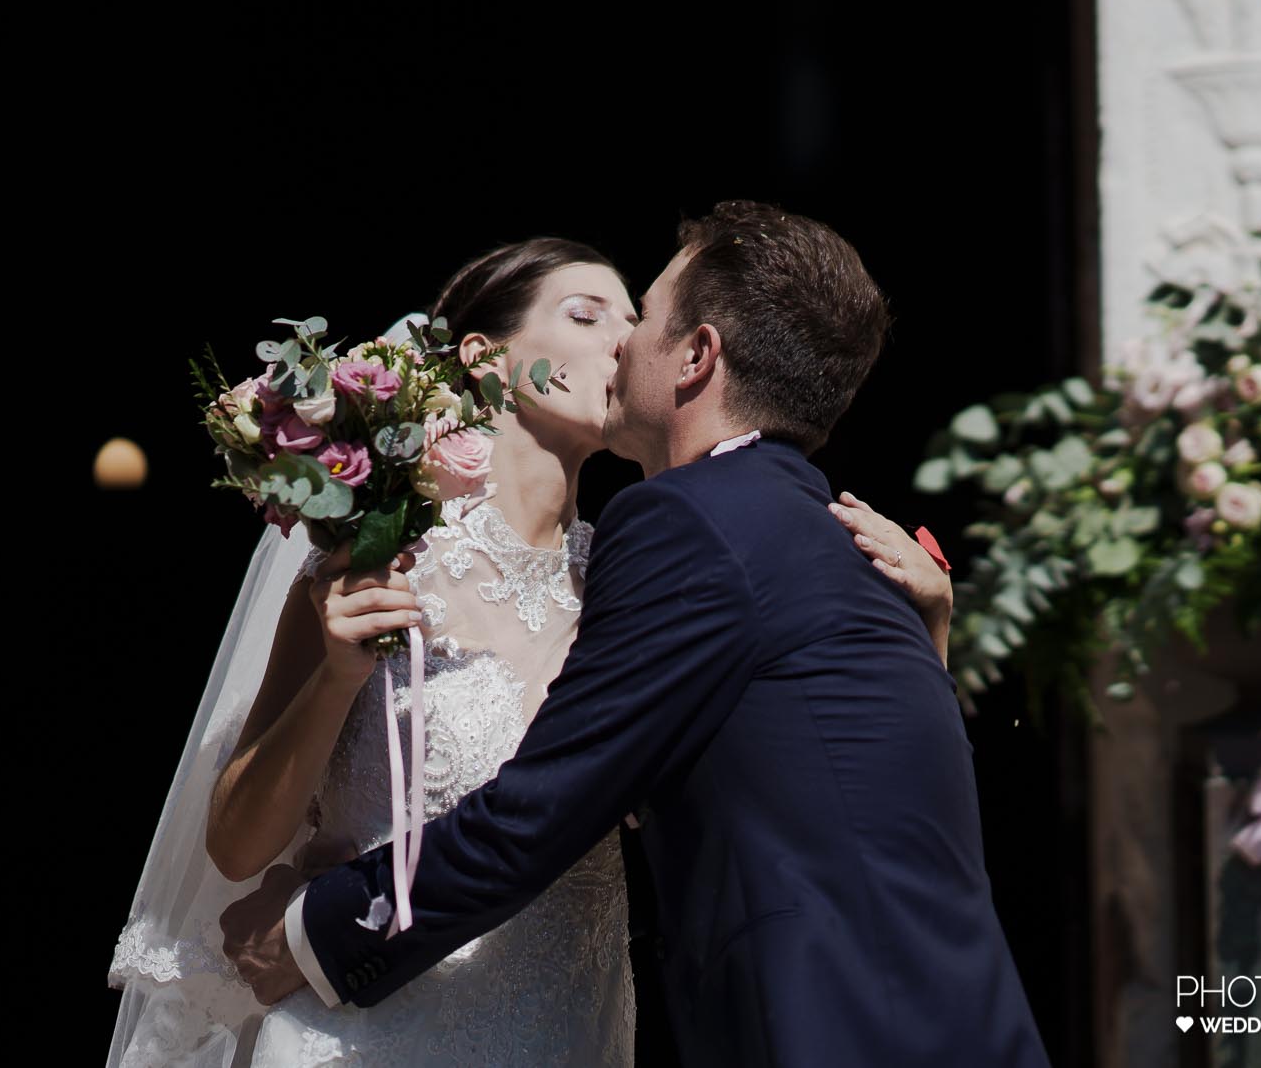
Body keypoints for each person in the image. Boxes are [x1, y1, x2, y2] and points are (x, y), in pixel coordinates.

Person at [221, 202, 1051, 1067]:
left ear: (697, 357)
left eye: (639, 316)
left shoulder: (683, 529)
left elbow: (537, 812)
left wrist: (314, 933)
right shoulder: (817, 539)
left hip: (822, 1025)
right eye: (590, 316)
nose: (619, 342)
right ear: (481, 360)